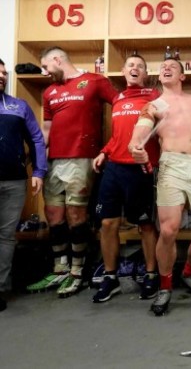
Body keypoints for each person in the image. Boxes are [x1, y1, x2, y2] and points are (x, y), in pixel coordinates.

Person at [129, 57, 191, 316]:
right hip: (173, 166)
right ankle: (165, 286)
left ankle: (188, 272)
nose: (166, 68)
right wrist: (136, 148)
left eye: (172, 67)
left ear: (183, 75)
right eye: (163, 67)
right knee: (168, 230)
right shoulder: (154, 105)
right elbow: (138, 134)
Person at [27, 47, 117, 297]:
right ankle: (60, 269)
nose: (45, 72)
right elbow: (46, 129)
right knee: (54, 215)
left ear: (58, 59)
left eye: (46, 67)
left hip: (81, 158)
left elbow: (120, 107)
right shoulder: (50, 92)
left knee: (76, 215)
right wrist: (37, 161)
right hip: (53, 160)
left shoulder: (95, 81)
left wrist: (110, 148)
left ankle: (78, 271)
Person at [91, 54, 160, 303]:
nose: (135, 68)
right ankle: (111, 277)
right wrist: (104, 151)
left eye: (140, 66)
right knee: (107, 224)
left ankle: (151, 274)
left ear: (145, 74)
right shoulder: (118, 98)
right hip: (114, 168)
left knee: (145, 225)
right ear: (123, 71)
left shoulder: (153, 96)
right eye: (131, 65)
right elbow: (118, 135)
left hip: (140, 169)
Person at [0, 60, 47, 311]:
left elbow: (37, 139)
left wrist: (38, 171)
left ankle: (0, 288)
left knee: (6, 237)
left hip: (14, 181)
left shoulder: (18, 106)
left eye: (4, 72)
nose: (1, 75)